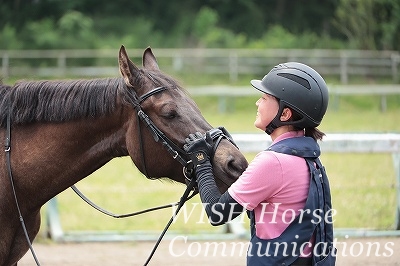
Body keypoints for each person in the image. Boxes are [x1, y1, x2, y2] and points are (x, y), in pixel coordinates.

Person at [184, 62, 336, 266]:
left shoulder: (273, 162)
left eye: (265, 98)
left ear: (284, 114)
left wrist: (201, 161)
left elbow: (217, 212)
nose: (258, 103)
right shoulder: (309, 157)